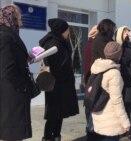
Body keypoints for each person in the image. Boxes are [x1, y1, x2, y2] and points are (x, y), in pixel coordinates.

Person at [0, 4, 37, 141]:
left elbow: (10, 61)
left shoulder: (10, 35)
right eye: (18, 18)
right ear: (11, 17)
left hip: (12, 94)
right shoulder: (5, 36)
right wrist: (23, 86)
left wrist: (25, 58)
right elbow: (6, 70)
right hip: (12, 95)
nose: (20, 21)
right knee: (13, 136)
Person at [39, 18, 79, 141]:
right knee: (53, 115)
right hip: (56, 85)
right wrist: (64, 76)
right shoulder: (54, 43)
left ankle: (56, 136)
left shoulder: (60, 41)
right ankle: (48, 137)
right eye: (67, 29)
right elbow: (55, 65)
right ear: (61, 30)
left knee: (59, 113)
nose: (69, 32)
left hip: (61, 85)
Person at [88, 41, 130, 141]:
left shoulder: (97, 67)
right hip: (111, 121)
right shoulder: (114, 73)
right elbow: (117, 101)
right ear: (119, 55)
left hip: (98, 115)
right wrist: (125, 122)